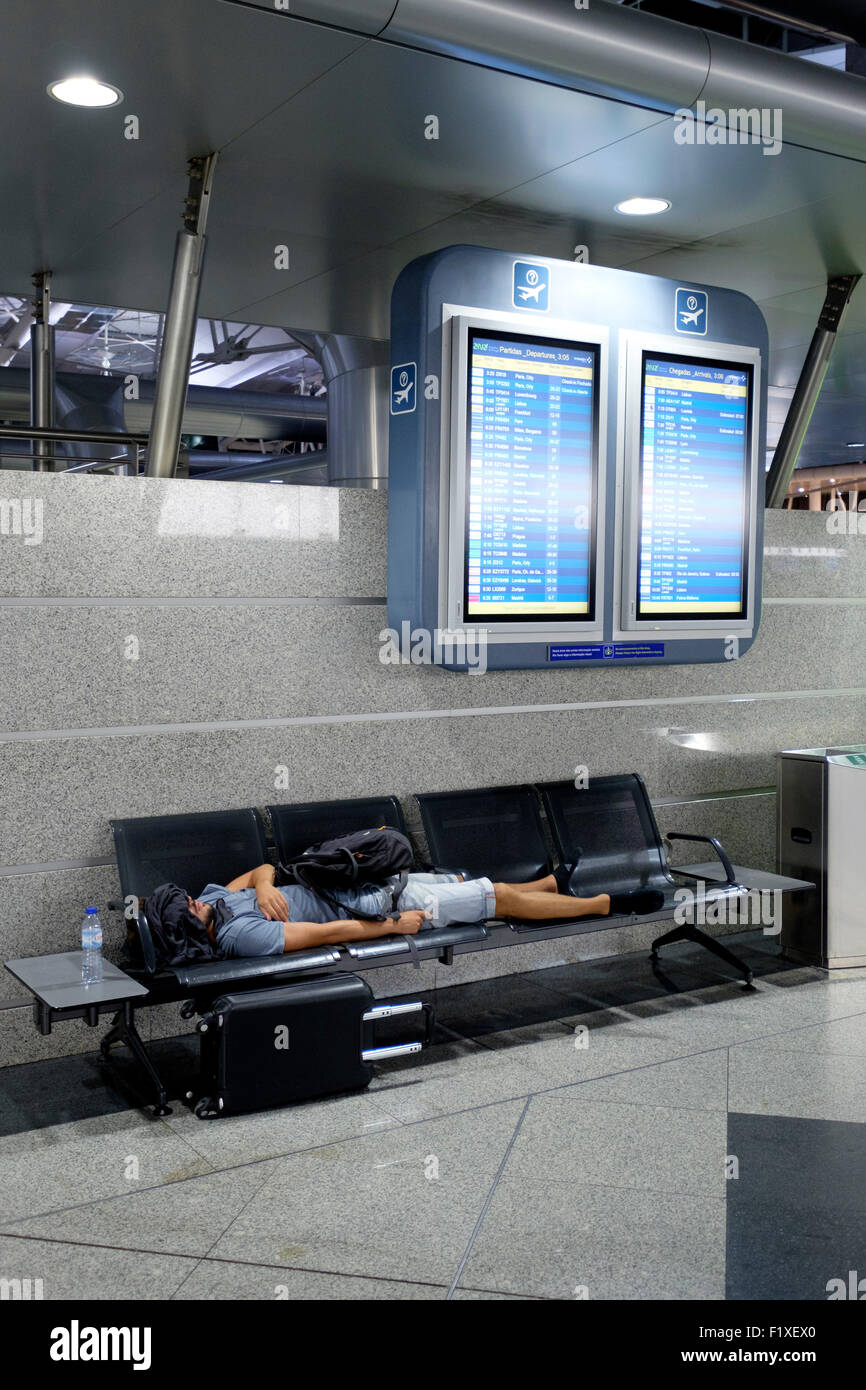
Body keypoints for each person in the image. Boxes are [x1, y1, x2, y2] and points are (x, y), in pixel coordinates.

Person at [181, 860, 664, 958]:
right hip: (376, 908)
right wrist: (392, 928)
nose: (196, 899)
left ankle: (547, 884)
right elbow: (328, 936)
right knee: (497, 899)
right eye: (189, 907)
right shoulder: (239, 936)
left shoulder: (217, 900)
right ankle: (602, 905)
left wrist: (265, 887)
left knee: (477, 885)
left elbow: (260, 868)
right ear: (191, 928)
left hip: (363, 886)